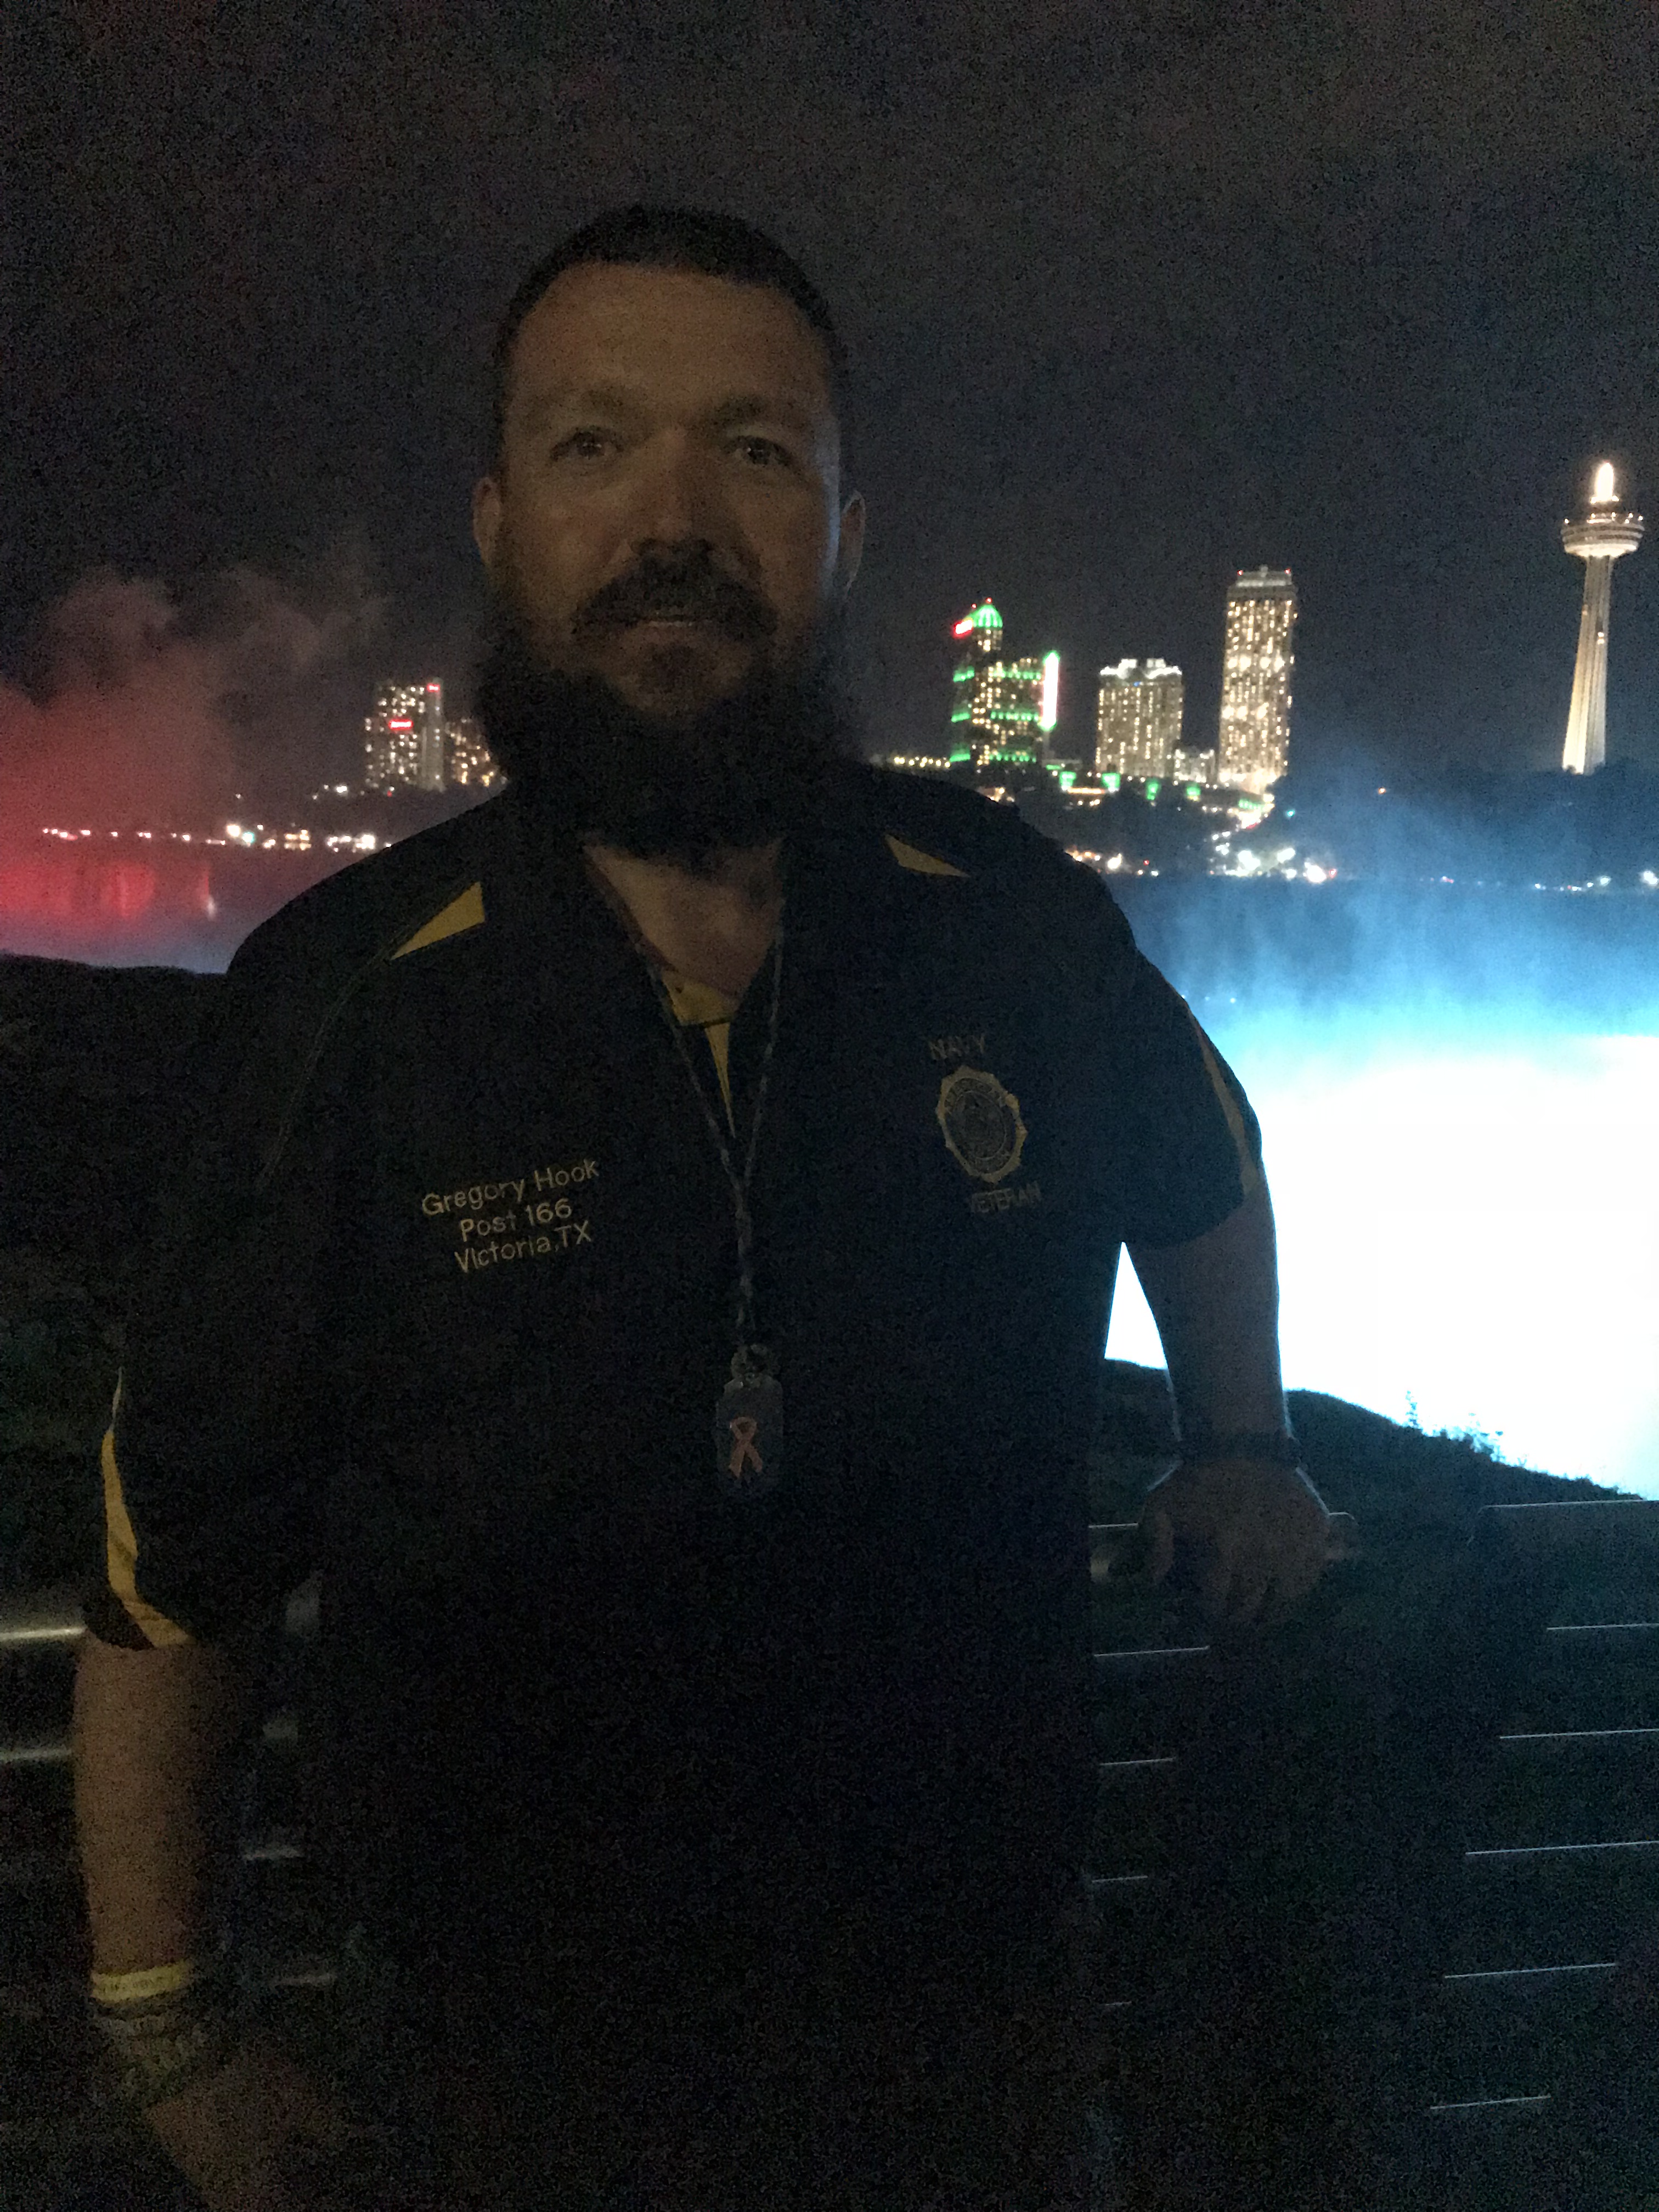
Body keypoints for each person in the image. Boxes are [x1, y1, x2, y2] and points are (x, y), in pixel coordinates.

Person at [72, 206, 1331, 2210]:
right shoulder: (350, 1004)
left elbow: (1206, 1165)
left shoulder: (1003, 917)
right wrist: (168, 2029)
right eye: (595, 446)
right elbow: (176, 1565)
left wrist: (1240, 1438)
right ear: (501, 525)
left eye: (755, 451)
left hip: (981, 2038)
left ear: (843, 533)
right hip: (498, 2076)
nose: (676, 521)